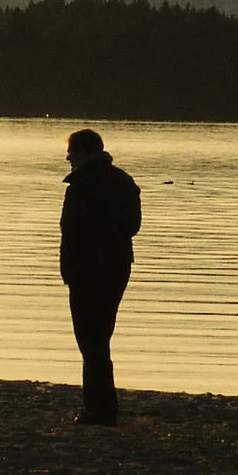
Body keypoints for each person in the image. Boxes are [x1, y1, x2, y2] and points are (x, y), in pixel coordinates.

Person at [59, 128, 141, 425]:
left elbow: (71, 230)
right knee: (100, 335)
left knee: (89, 338)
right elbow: (133, 226)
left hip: (86, 269)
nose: (68, 159)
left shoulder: (81, 185)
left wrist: (69, 268)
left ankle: (101, 406)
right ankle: (100, 404)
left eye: (71, 153)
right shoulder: (124, 181)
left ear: (82, 153)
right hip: (117, 267)